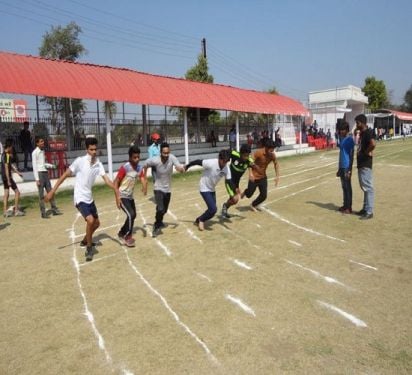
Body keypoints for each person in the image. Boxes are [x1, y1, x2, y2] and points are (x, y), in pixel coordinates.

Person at [45, 137, 120, 261]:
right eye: (91, 150)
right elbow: (64, 175)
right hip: (79, 197)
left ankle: (85, 240)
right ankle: (89, 248)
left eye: (95, 149)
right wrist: (52, 191)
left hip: (89, 198)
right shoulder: (79, 161)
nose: (94, 152)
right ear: (87, 150)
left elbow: (106, 180)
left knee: (97, 223)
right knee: (90, 221)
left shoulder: (98, 163)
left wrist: (116, 190)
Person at [143, 142, 185, 237]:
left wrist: (180, 169)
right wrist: (144, 177)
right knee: (161, 208)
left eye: (167, 153)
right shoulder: (155, 160)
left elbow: (178, 166)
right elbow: (145, 164)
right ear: (160, 152)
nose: (166, 155)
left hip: (168, 189)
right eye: (164, 153)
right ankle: (156, 225)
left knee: (164, 210)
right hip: (158, 188)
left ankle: (159, 219)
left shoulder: (172, 158)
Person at [185, 149, 233, 231]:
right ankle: (201, 220)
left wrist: (233, 193)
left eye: (226, 161)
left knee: (212, 211)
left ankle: (198, 220)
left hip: (212, 189)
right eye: (223, 161)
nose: (224, 163)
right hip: (204, 187)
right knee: (213, 209)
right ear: (219, 158)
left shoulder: (226, 168)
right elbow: (197, 161)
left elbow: (229, 181)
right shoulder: (211, 163)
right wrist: (187, 166)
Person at [114, 145, 147, 247]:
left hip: (130, 196)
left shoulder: (139, 167)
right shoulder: (125, 168)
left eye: (138, 157)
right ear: (130, 157)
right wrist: (117, 197)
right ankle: (127, 236)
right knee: (131, 214)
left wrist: (144, 186)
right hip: (122, 195)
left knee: (133, 215)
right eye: (134, 157)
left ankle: (122, 232)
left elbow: (142, 177)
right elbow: (116, 182)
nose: (137, 159)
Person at [242, 138, 280, 211]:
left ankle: (253, 204)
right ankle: (245, 192)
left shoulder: (272, 155)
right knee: (249, 194)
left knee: (264, 195)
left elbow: (276, 164)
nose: (272, 151)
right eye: (271, 149)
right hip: (254, 177)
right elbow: (250, 162)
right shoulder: (258, 153)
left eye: (273, 150)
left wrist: (277, 176)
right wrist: (250, 174)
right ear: (266, 147)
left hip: (263, 177)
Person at [221, 144, 257, 218]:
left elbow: (251, 165)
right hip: (229, 180)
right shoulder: (234, 154)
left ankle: (225, 206)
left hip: (236, 182)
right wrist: (224, 163)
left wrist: (251, 174)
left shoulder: (249, 160)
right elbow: (225, 153)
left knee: (235, 200)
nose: (246, 157)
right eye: (245, 155)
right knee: (235, 199)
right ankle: (225, 207)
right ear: (240, 154)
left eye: (248, 155)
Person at [32, 136, 62, 219]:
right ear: (37, 143)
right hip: (40, 174)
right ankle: (43, 212)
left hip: (45, 173)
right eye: (41, 141)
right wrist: (37, 179)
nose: (43, 143)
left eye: (43, 141)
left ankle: (54, 209)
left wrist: (52, 166)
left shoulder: (42, 151)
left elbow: (43, 164)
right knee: (41, 194)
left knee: (50, 191)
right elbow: (35, 166)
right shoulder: (35, 153)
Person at [355, 114, 375, 220]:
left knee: (368, 188)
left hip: (365, 164)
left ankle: (369, 211)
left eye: (357, 123)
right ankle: (365, 208)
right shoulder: (362, 134)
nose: (356, 125)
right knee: (364, 188)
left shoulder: (367, 133)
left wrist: (365, 153)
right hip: (362, 164)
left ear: (362, 123)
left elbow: (373, 144)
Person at [2, 139, 25, 217]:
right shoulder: (7, 155)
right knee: (17, 192)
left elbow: (10, 165)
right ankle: (16, 211)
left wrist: (17, 172)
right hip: (7, 176)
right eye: (12, 146)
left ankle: (5, 212)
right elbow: (6, 167)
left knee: (6, 194)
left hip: (3, 176)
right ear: (9, 146)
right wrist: (9, 179)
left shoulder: (3, 154)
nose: (12, 148)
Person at [336, 122, 355, 214]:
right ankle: (345, 205)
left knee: (348, 187)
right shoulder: (342, 139)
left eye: (342, 130)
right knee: (344, 187)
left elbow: (351, 155)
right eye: (340, 130)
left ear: (347, 130)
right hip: (342, 166)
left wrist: (350, 169)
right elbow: (341, 154)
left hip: (347, 166)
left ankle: (349, 207)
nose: (341, 131)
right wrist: (339, 168)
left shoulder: (350, 140)